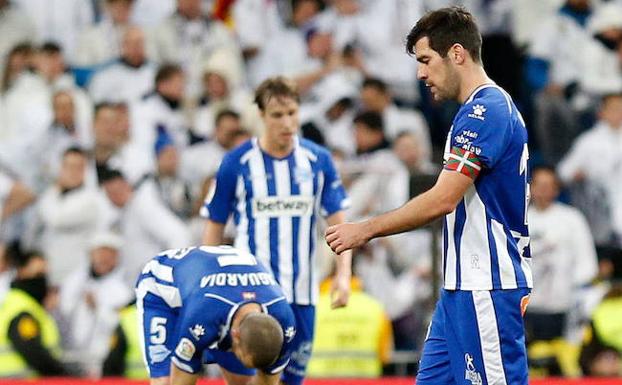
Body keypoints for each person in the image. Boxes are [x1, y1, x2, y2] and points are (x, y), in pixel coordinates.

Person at [326, 7, 533, 385]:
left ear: (456, 53)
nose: (420, 73)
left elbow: (442, 199)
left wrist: (365, 230)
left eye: (425, 60)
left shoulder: (486, 111)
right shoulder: (477, 110)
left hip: (485, 285)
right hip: (459, 287)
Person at [202, 76, 352, 385]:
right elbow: (214, 227)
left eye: (292, 113)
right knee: (242, 380)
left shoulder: (317, 160)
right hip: (247, 296)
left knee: (288, 383)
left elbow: (340, 224)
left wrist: (343, 274)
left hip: (300, 295)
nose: (287, 122)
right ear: (261, 116)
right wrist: (210, 285)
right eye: (277, 115)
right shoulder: (236, 162)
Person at [136, 245, 296, 385]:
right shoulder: (203, 317)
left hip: (211, 293)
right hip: (162, 294)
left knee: (242, 381)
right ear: (236, 335)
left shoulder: (286, 326)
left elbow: (267, 382)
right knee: (166, 381)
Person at [0, 250, 70, 377]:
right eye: (38, 274)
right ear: (21, 272)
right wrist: (65, 376)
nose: (42, 280)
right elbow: (33, 352)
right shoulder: (21, 309)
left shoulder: (29, 306)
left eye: (44, 274)